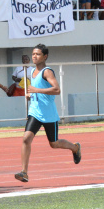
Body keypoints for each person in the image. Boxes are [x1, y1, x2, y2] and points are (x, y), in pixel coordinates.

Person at [15, 44, 82, 183]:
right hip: (35, 112)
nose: (34, 56)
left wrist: (35, 90)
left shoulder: (47, 72)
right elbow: (36, 89)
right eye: (33, 54)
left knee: (54, 143)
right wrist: (30, 95)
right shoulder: (32, 71)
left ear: (45, 56)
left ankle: (75, 148)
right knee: (26, 139)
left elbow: (57, 90)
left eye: (38, 54)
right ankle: (24, 172)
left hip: (48, 114)